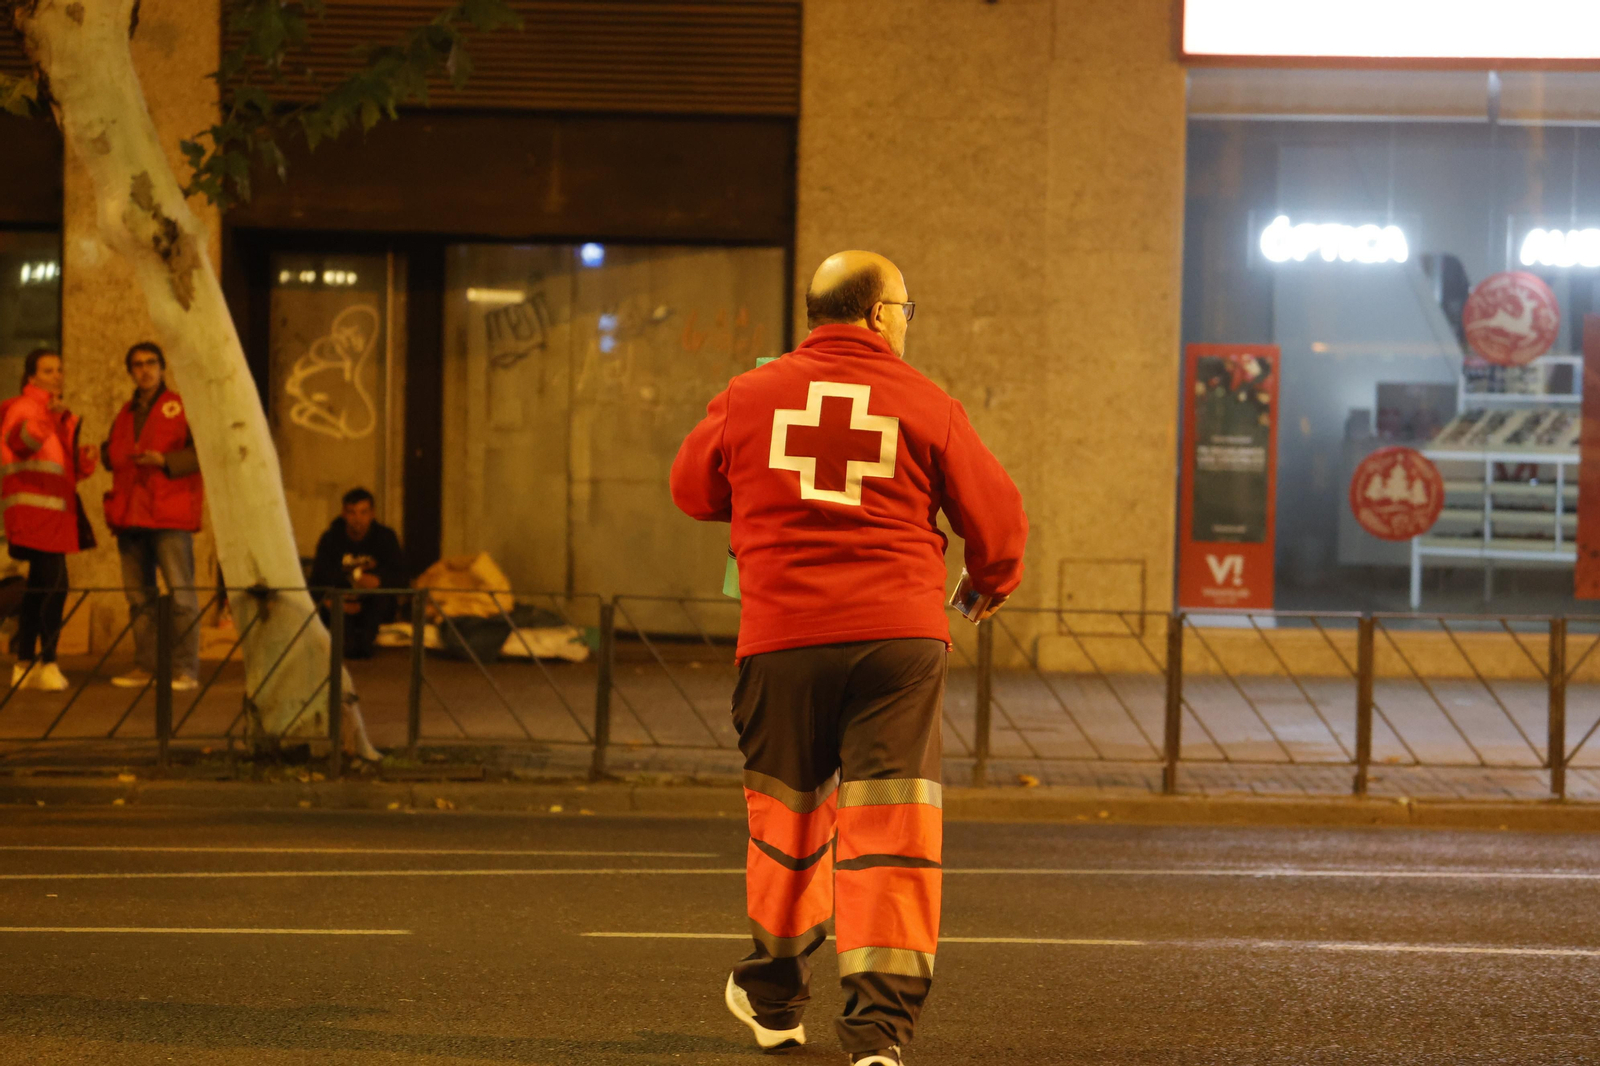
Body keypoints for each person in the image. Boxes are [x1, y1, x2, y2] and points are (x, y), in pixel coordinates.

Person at [670, 251, 1028, 1065]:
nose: (907, 320)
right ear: (876, 314)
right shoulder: (926, 402)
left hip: (782, 641)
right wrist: (985, 583)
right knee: (891, 828)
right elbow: (999, 523)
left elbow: (693, 491)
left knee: (787, 825)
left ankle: (774, 990)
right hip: (898, 645)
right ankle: (878, 1035)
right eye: (907, 307)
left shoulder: (749, 395)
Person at [102, 341, 204, 691]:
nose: (144, 370)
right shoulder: (124, 414)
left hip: (168, 513)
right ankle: (146, 666)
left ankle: (185, 669)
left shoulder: (182, 406)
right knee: (138, 598)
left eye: (150, 363)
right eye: (137, 365)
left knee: (181, 595)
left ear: (162, 367)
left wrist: (165, 462)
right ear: (130, 371)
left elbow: (205, 450)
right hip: (131, 514)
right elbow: (112, 454)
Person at [0, 348, 99, 692]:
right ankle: (48, 662)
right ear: (31, 377)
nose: (56, 375)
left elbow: (57, 468)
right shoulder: (24, 407)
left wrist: (83, 465)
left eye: (59, 369)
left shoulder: (58, 414)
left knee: (40, 589)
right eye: (47, 371)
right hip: (33, 513)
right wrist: (48, 418)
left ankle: (25, 663)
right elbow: (21, 443)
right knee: (55, 586)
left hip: (53, 514)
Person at [310, 488, 405, 659]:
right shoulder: (331, 539)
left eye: (363, 512)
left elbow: (401, 576)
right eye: (352, 513)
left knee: (365, 642)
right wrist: (335, 600)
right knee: (346, 644)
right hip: (340, 601)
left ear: (372, 514)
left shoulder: (385, 538)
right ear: (344, 514)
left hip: (373, 603)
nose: (358, 519)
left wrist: (378, 581)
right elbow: (318, 577)